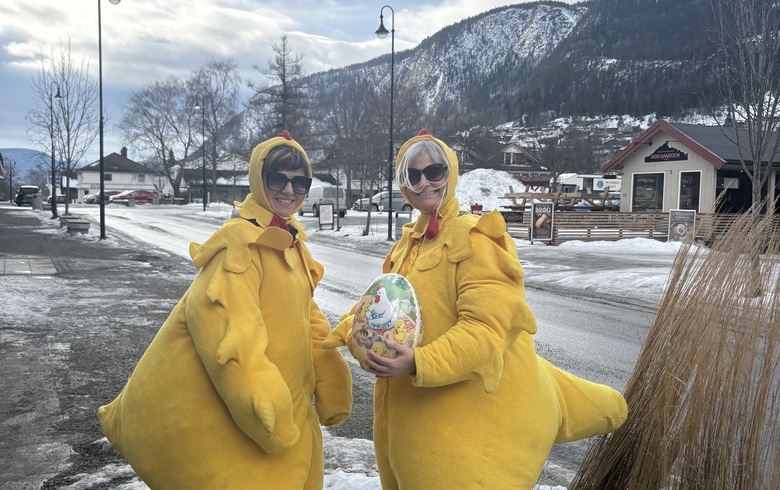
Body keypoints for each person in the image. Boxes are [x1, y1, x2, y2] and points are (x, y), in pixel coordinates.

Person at [324, 129, 627, 489]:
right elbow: (385, 307)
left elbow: (486, 331)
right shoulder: (410, 243)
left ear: (449, 174)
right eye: (413, 175)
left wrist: (421, 362)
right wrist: (347, 332)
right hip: (406, 430)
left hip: (465, 438)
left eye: (434, 171)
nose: (424, 183)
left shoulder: (475, 238)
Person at [98, 131, 353, 489]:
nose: (289, 190)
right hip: (246, 427)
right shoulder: (240, 246)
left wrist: (330, 378)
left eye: (300, 182)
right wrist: (271, 418)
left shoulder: (292, 244)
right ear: (258, 179)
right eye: (277, 178)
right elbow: (232, 340)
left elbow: (308, 318)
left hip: (294, 414)